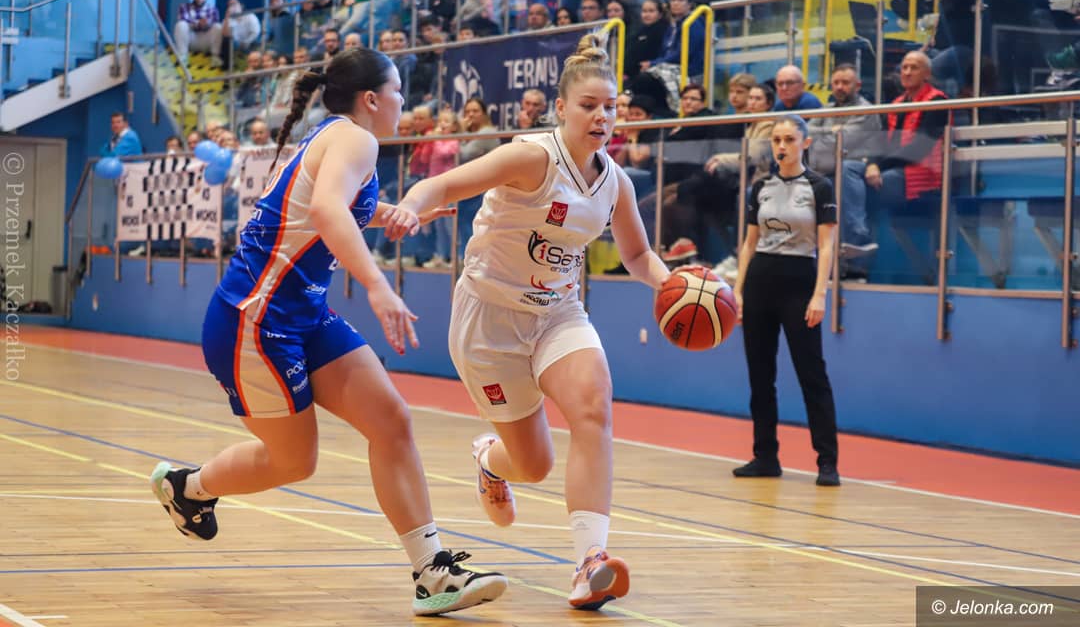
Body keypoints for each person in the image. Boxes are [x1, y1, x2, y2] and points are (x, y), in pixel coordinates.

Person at [149, 47, 508, 616]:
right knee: (295, 461)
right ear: (371, 99)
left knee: (391, 420)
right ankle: (188, 488)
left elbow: (324, 205)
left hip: (303, 315)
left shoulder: (339, 137)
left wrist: (390, 211)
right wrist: (378, 286)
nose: (404, 101)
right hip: (256, 321)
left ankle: (432, 572)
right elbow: (324, 210)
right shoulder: (356, 139)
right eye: (397, 91)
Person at [384, 34, 671, 611]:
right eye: (589, 105)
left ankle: (589, 562)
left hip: (558, 313)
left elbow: (638, 255)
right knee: (533, 464)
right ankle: (490, 460)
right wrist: (411, 207)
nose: (602, 116)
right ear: (561, 108)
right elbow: (446, 183)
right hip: (489, 319)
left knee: (594, 405)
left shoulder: (615, 182)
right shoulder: (531, 157)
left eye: (610, 107)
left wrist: (675, 285)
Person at [732, 115, 841, 488]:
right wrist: (738, 291)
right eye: (777, 139)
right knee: (760, 376)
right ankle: (765, 456)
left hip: (799, 282)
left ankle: (827, 462)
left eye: (789, 139)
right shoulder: (760, 186)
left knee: (812, 375)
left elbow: (826, 245)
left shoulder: (820, 186)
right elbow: (749, 243)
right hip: (760, 281)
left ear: (805, 143)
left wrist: (820, 294)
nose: (782, 146)